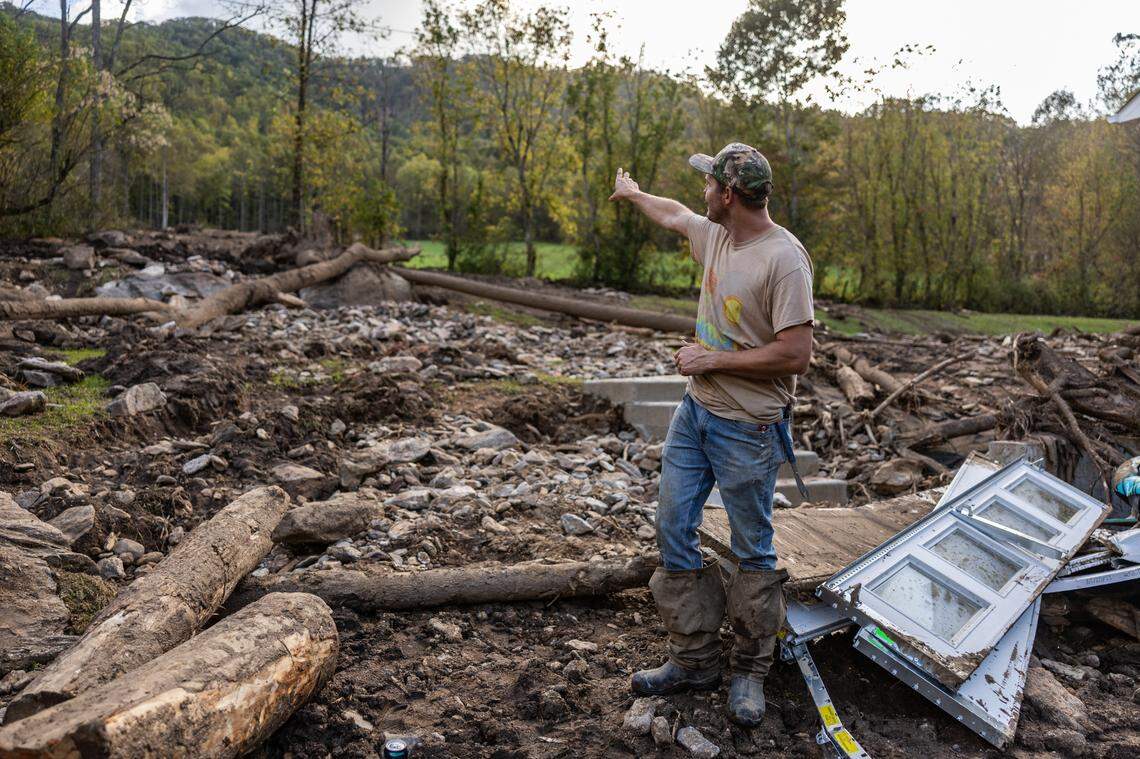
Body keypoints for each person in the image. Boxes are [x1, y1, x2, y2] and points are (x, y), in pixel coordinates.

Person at [608, 143, 814, 727]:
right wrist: (632, 195)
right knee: (673, 527)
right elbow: (675, 213)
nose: (701, 193)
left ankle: (750, 669)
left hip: (747, 427)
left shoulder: (784, 260)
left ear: (728, 195)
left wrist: (712, 360)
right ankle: (694, 659)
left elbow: (796, 354)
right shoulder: (718, 235)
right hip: (695, 414)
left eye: (708, 185)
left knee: (753, 549)